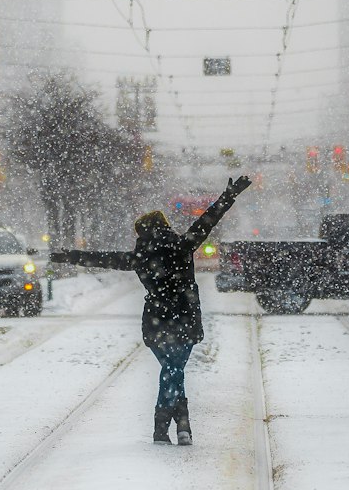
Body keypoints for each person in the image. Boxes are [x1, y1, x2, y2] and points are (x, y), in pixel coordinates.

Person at [51, 176, 251, 446]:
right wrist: (229, 195)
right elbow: (208, 221)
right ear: (165, 226)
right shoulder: (182, 246)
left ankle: (168, 428)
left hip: (156, 321)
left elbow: (102, 258)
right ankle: (178, 426)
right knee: (175, 370)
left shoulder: (140, 257)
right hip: (185, 319)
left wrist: (70, 255)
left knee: (171, 369)